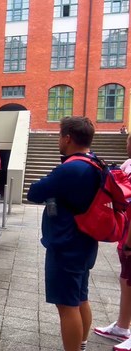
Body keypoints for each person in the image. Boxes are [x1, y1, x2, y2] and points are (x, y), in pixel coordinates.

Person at [27, 117, 100, 351]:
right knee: (80, 298)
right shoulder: (95, 163)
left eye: (60, 135)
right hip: (85, 241)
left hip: (66, 244)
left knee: (67, 306)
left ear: (67, 138)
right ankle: (82, 344)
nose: (59, 140)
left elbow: (35, 192)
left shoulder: (71, 168)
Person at [94, 133, 131, 350]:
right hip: (126, 230)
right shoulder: (128, 164)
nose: (127, 144)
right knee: (126, 279)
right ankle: (122, 326)